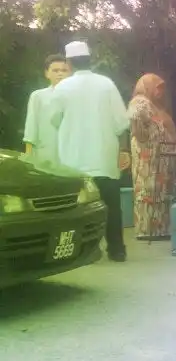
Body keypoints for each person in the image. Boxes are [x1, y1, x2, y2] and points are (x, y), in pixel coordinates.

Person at [50, 41, 130, 262]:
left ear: (69, 62)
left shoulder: (62, 88)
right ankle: (117, 250)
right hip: (104, 157)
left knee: (74, 208)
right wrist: (123, 150)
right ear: (89, 59)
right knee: (111, 205)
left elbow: (54, 120)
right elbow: (121, 123)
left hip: (73, 160)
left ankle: (75, 252)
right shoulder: (106, 84)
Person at [127, 74, 176, 240]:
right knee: (148, 192)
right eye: (157, 87)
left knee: (161, 193)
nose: (160, 91)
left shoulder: (155, 106)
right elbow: (136, 125)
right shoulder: (140, 101)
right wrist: (145, 141)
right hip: (148, 161)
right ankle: (146, 230)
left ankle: (160, 229)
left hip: (159, 161)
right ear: (147, 86)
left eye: (162, 88)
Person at [23, 54, 70, 165]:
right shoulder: (38, 96)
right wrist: (28, 159)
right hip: (44, 157)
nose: (60, 74)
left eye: (64, 70)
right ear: (47, 73)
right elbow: (31, 130)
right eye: (55, 70)